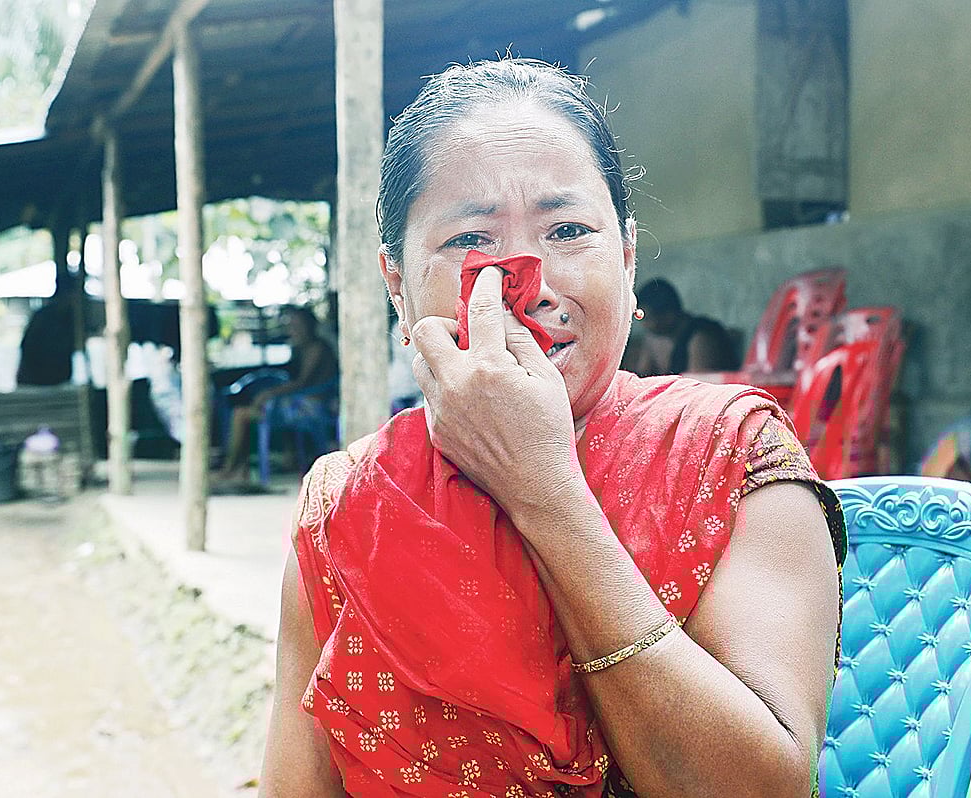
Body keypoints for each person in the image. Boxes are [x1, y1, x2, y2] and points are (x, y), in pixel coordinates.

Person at [258, 59, 844, 797]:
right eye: (470, 238)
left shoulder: (734, 457)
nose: (526, 287)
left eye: (568, 230)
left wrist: (542, 490)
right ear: (398, 286)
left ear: (626, 259)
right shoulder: (347, 510)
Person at [215, 305, 338, 485]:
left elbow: (302, 383)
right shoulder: (302, 349)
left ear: (308, 326)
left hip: (309, 408)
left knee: (241, 415)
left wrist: (269, 394)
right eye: (290, 326)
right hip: (299, 403)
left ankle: (230, 469)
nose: (292, 330)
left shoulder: (317, 348)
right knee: (248, 412)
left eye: (296, 325)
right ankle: (241, 470)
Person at [621, 277, 738, 376]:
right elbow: (644, 375)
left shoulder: (702, 337)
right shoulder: (655, 336)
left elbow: (698, 384)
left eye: (648, 318)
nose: (645, 325)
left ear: (668, 314)